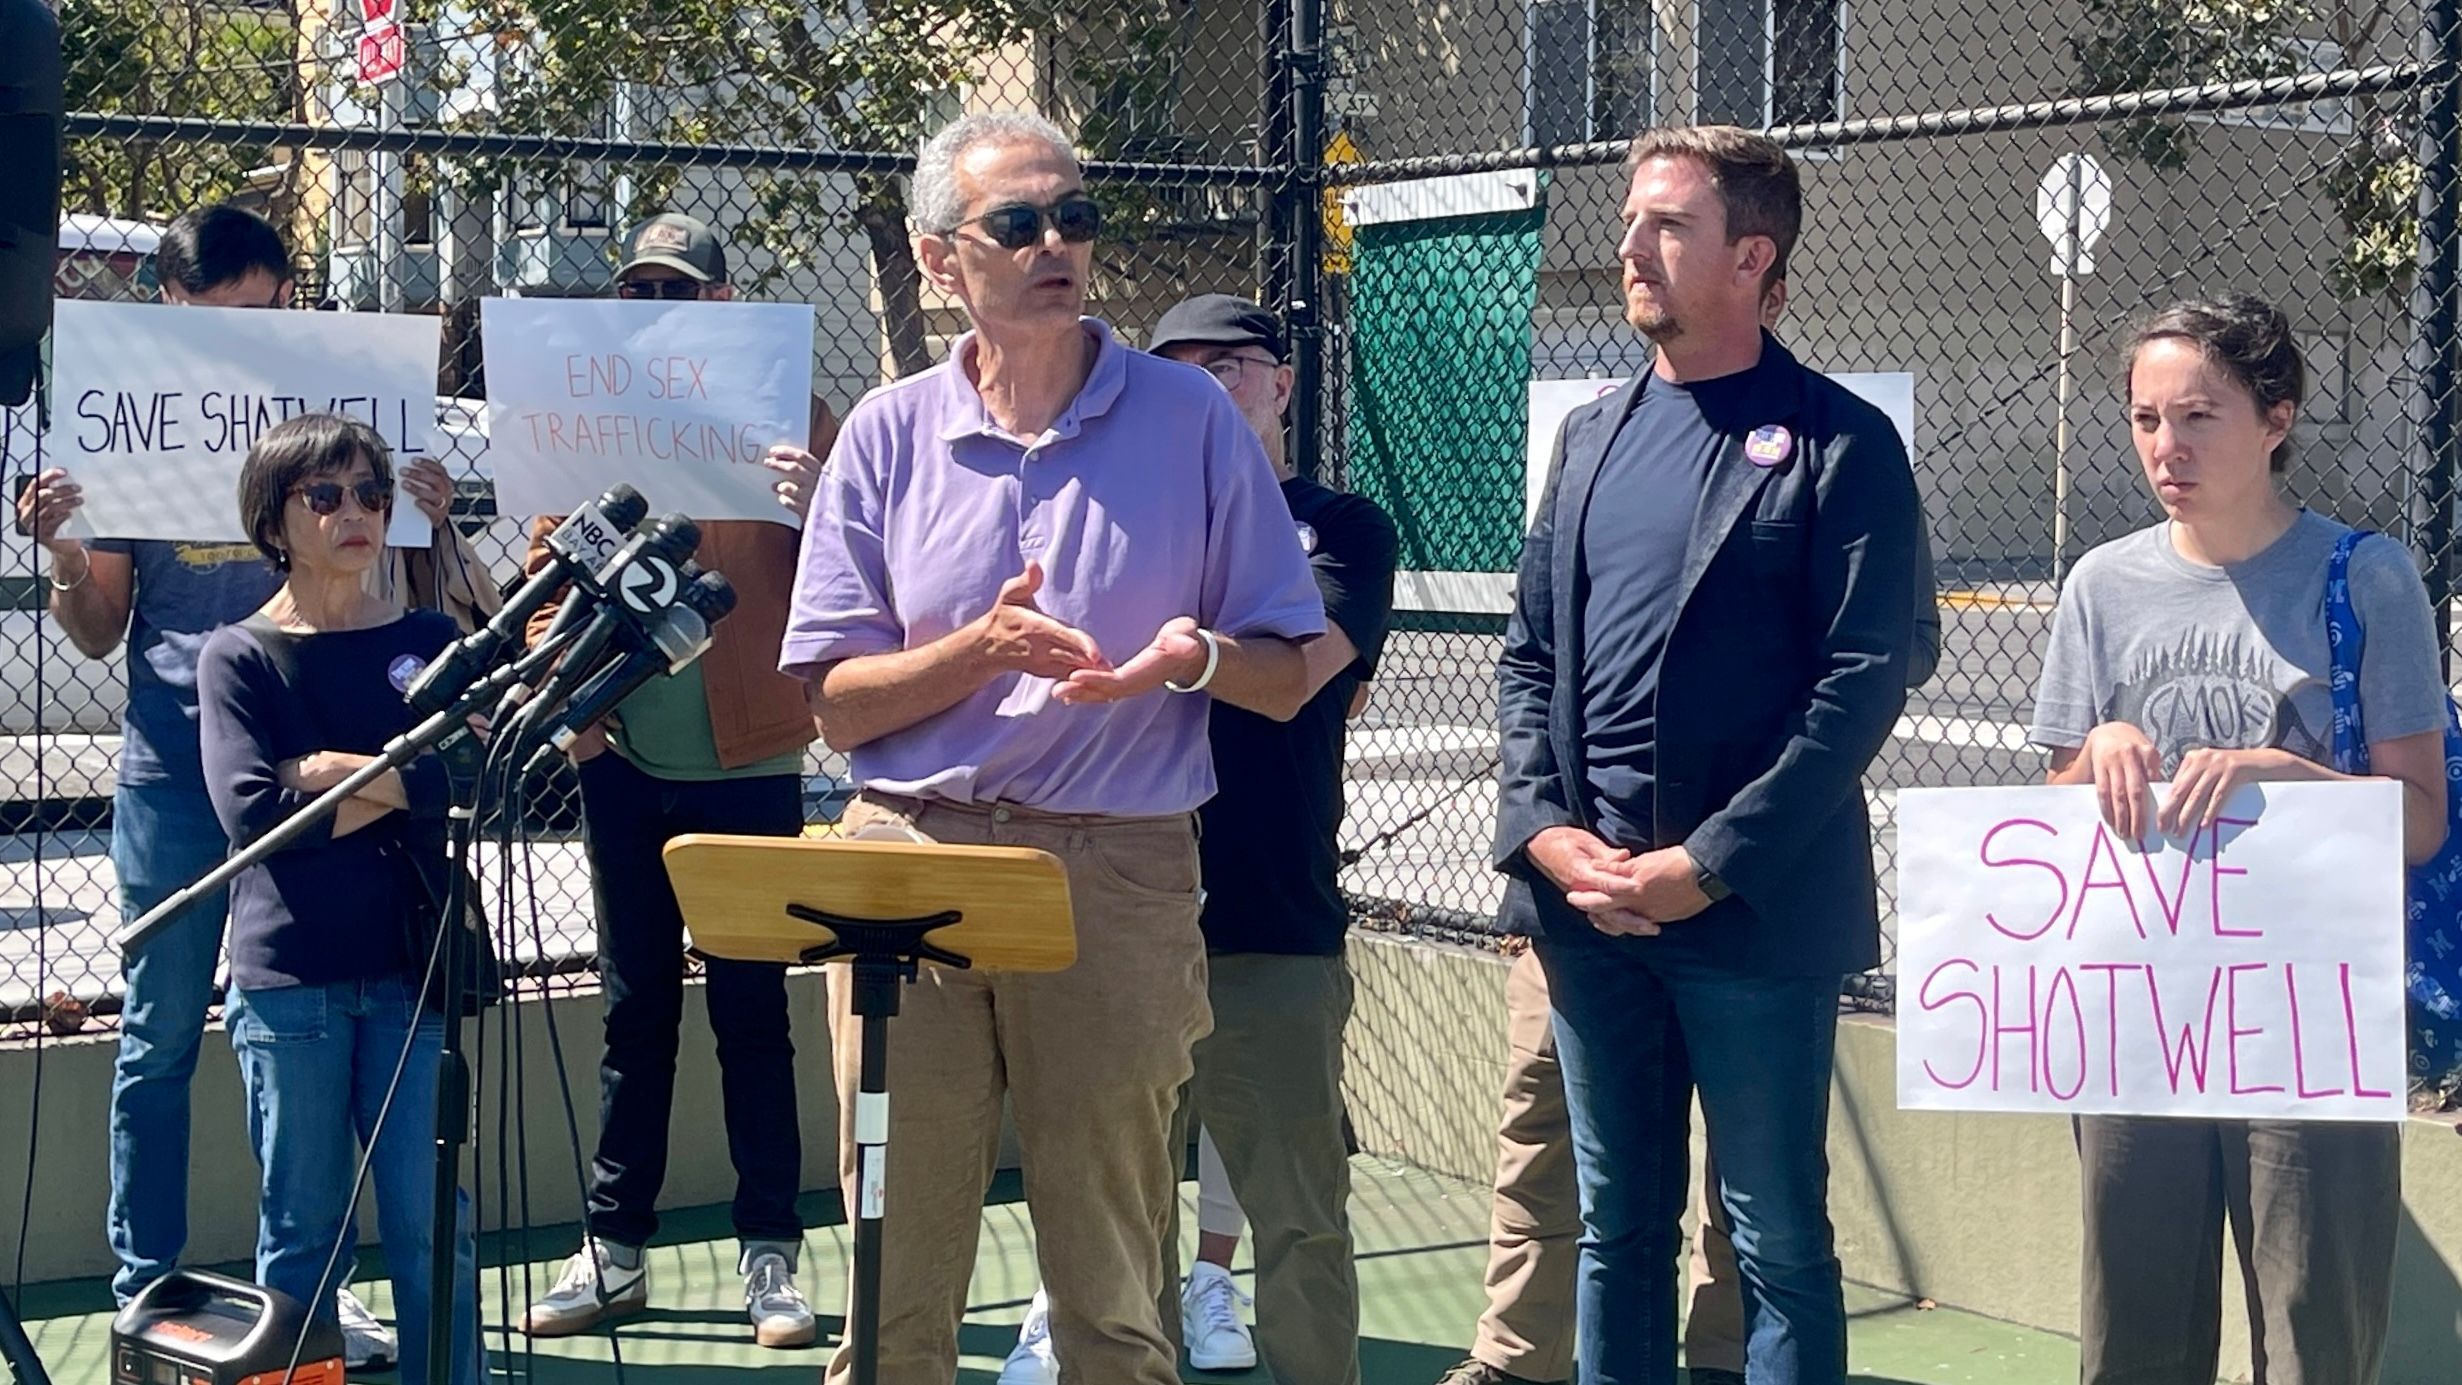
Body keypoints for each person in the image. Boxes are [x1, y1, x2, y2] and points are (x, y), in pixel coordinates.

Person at [781, 111, 1325, 1385]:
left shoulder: (1193, 419)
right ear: (938, 261)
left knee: (1112, 1282)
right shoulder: (883, 433)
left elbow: (1291, 673)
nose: (1054, 244)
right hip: (902, 872)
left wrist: (1190, 659)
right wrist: (975, 650)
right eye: (1016, 224)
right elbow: (833, 705)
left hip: (1114, 873)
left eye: (1072, 216)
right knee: (890, 1270)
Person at [1439, 275, 1943, 1385]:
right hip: (1588, 914)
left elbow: (1866, 676)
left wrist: (1711, 862)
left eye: (1669, 225)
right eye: (1632, 220)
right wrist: (1541, 828)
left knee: (1773, 1235)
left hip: (1753, 916)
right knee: (1616, 1224)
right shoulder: (1587, 435)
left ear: (1753, 257)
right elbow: (1529, 654)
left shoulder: (1839, 441)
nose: (1633, 248)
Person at [15, 201, 477, 1371]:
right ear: (171, 308)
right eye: (229, 319)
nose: (253, 341)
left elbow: (424, 641)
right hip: (180, 768)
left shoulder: (338, 443)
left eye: (271, 315)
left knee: (335, 1029)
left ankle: (329, 1304)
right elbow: (94, 625)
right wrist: (66, 555)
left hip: (337, 767)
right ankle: (146, 1280)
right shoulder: (130, 421)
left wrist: (419, 511)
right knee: (163, 1031)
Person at [2032, 295, 2446, 1385]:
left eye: (2198, 415)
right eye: (2143, 418)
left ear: (2276, 416)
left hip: (2309, 1022)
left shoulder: (2366, 577)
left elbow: (2416, 820)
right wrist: (2100, 749)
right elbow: (2056, 807)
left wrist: (2294, 781)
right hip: (2137, 1017)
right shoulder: (2098, 585)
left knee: (2311, 1327)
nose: (2165, 447)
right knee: (2132, 1327)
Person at [999, 293, 1399, 1385]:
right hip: (1121, 913)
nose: (1206, 387)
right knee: (1120, 1222)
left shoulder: (1340, 524)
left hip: (1271, 920)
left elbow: (1299, 679)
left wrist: (1189, 654)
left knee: (1299, 1217)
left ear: (1278, 383)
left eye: (1229, 364)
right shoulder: (1118, 520)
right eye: (1177, 367)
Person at [517, 211, 836, 1349]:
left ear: (722, 300)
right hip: (624, 757)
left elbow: (856, 565)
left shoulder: (793, 416)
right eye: (644, 283)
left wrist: (820, 495)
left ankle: (771, 1251)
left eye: (684, 285)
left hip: (751, 756)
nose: (665, 299)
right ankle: (613, 1245)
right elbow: (546, 577)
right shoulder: (594, 407)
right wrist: (580, 727)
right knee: (633, 1004)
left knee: (753, 1009)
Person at [194, 412, 482, 1385]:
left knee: (431, 1218)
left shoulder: (429, 636)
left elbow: (479, 774)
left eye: (370, 493)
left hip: (411, 968)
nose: (356, 512)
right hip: (292, 982)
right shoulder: (236, 653)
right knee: (303, 1230)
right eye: (326, 495)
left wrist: (338, 771)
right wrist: (410, 778)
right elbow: (257, 816)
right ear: (275, 520)